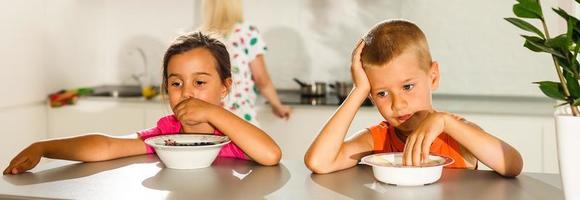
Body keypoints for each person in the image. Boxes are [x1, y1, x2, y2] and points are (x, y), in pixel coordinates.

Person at [3, 32, 282, 175]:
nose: (186, 93)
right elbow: (108, 146)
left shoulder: (234, 136)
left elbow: (271, 155)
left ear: (225, 87)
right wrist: (44, 147)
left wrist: (212, 112)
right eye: (176, 83)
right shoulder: (167, 134)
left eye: (199, 83)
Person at [304, 19, 523, 177]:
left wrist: (444, 121)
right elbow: (319, 162)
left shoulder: (456, 133)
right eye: (381, 93)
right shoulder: (377, 140)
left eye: (407, 86)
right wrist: (359, 90)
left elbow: (512, 164)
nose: (397, 105)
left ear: (433, 76)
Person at [200, 0, 292, 125]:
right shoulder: (247, 32)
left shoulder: (200, 37)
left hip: (210, 119)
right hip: (241, 117)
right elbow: (262, 79)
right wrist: (278, 106)